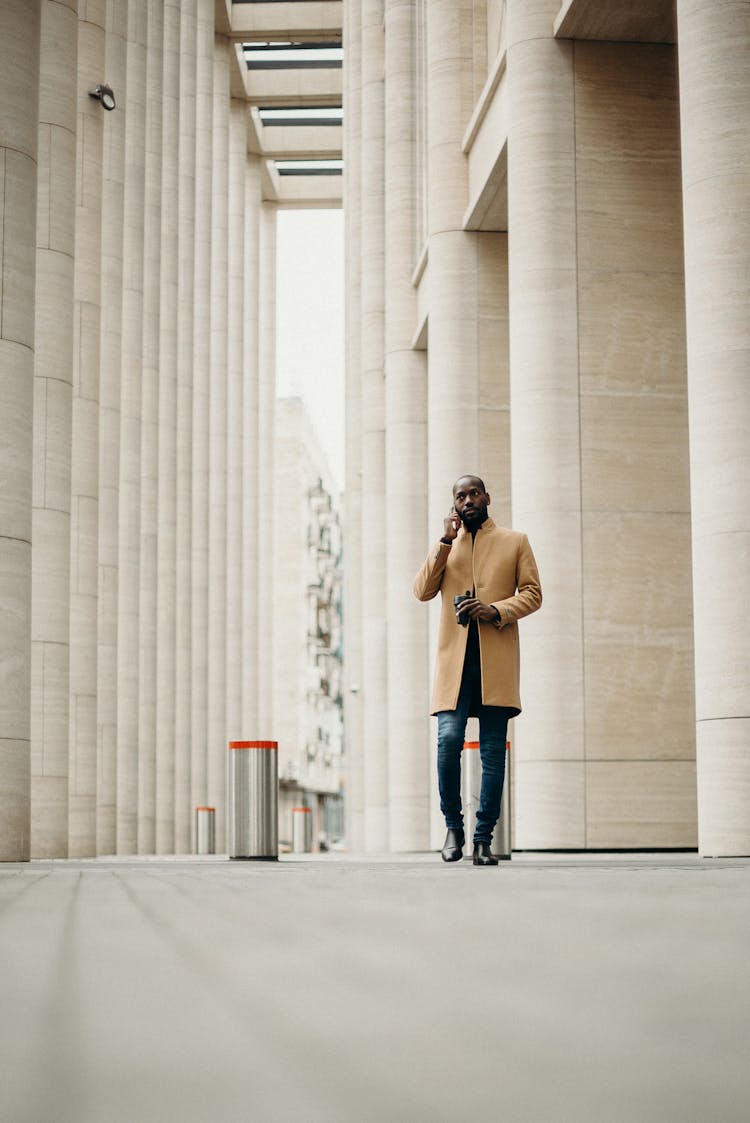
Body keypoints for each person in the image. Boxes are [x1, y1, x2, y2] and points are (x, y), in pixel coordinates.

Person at [413, 476, 542, 866]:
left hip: (495, 663)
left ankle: (483, 839)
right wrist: (444, 542)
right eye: (460, 495)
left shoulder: (514, 541)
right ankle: (454, 826)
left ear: (487, 497)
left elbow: (533, 593)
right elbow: (421, 591)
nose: (468, 500)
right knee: (448, 741)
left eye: (474, 493)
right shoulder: (447, 546)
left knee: (491, 752)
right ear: (454, 503)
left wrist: (495, 610)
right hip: (454, 666)